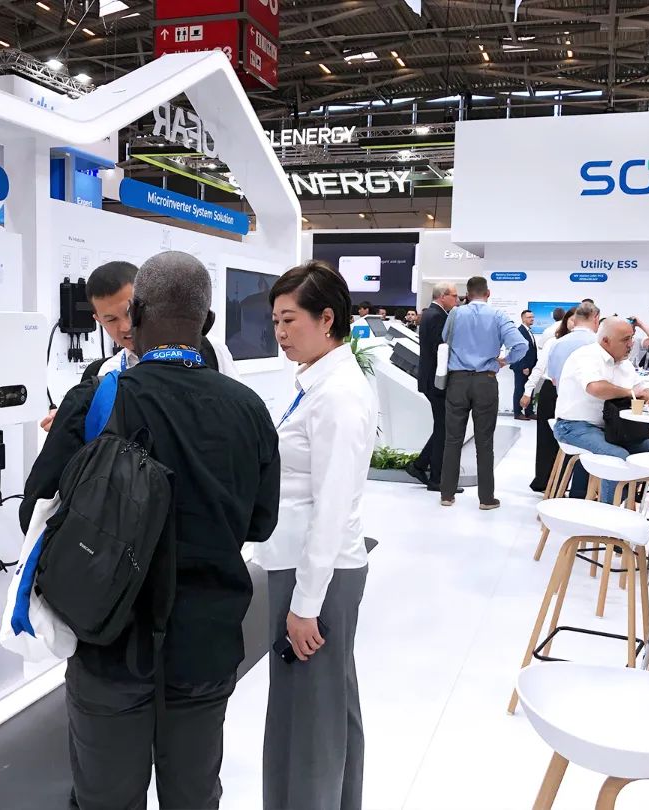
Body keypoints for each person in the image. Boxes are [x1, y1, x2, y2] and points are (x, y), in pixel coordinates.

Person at [21, 251, 280, 810]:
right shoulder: (249, 410)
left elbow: (34, 511)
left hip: (109, 639)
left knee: (105, 797)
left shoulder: (97, 400)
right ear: (207, 322)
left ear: (135, 314)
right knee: (194, 795)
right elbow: (261, 521)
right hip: (206, 641)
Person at [257, 260, 374, 810]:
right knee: (324, 709)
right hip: (303, 564)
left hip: (317, 574)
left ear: (327, 318)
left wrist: (306, 604)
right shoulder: (317, 382)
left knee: (313, 720)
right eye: (275, 322)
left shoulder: (338, 394)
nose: (280, 333)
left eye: (289, 320)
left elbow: (332, 507)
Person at [39, 261, 239, 431]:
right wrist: (73, 422)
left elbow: (239, 413)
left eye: (129, 312)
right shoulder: (106, 374)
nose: (125, 327)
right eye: (111, 319)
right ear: (98, 320)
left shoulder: (209, 350)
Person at [439, 276, 527, 510]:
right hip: (485, 381)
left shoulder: (455, 314)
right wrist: (505, 361)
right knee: (485, 441)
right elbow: (521, 345)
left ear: (467, 295)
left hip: (457, 381)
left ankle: (447, 494)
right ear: (488, 293)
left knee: (452, 439)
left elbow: (444, 338)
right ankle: (486, 498)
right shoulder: (498, 316)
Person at [552, 318, 649, 502]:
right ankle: (609, 510)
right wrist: (631, 393)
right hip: (574, 426)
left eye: (631, 338)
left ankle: (628, 500)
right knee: (617, 456)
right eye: (625, 340)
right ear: (605, 341)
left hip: (612, 429)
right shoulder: (586, 356)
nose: (631, 344)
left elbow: (642, 388)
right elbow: (595, 388)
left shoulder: (624, 363)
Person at [408, 281, 459, 492]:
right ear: (442, 296)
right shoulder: (437, 316)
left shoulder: (432, 314)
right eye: (454, 296)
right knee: (443, 429)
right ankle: (436, 478)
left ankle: (420, 466)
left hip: (432, 379)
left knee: (443, 427)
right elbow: (441, 349)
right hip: (436, 381)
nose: (457, 300)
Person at [522, 308, 576, 492]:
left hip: (572, 393)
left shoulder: (586, 345)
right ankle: (544, 480)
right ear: (565, 321)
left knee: (568, 439)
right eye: (572, 320)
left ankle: (564, 481)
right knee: (546, 437)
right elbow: (539, 367)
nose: (575, 324)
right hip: (551, 391)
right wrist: (528, 391)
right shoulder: (554, 341)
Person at [547, 300, 601, 385]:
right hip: (592, 393)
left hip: (562, 392)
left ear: (575, 320)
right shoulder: (600, 343)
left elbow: (553, 379)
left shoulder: (557, 343)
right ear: (596, 318)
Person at [512, 309, 538, 420]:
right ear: (523, 319)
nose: (532, 319)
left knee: (529, 389)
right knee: (519, 389)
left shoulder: (528, 331)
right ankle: (517, 413)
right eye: (529, 317)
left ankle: (529, 412)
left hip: (530, 366)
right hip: (522, 367)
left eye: (532, 317)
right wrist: (524, 366)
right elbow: (518, 350)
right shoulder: (520, 331)